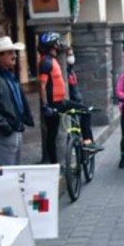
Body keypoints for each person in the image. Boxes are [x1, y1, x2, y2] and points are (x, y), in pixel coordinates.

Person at [38, 32, 100, 164]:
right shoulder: (46, 62)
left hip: (61, 101)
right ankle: (54, 164)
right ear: (53, 45)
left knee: (85, 110)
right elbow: (42, 86)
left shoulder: (53, 60)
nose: (59, 45)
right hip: (53, 104)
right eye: (57, 42)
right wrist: (45, 106)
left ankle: (87, 143)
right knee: (52, 135)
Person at [0, 36, 34, 166]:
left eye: (14, 52)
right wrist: (5, 125)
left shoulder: (7, 74)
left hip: (14, 127)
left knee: (13, 170)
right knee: (6, 172)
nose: (14, 56)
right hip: (5, 130)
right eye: (10, 53)